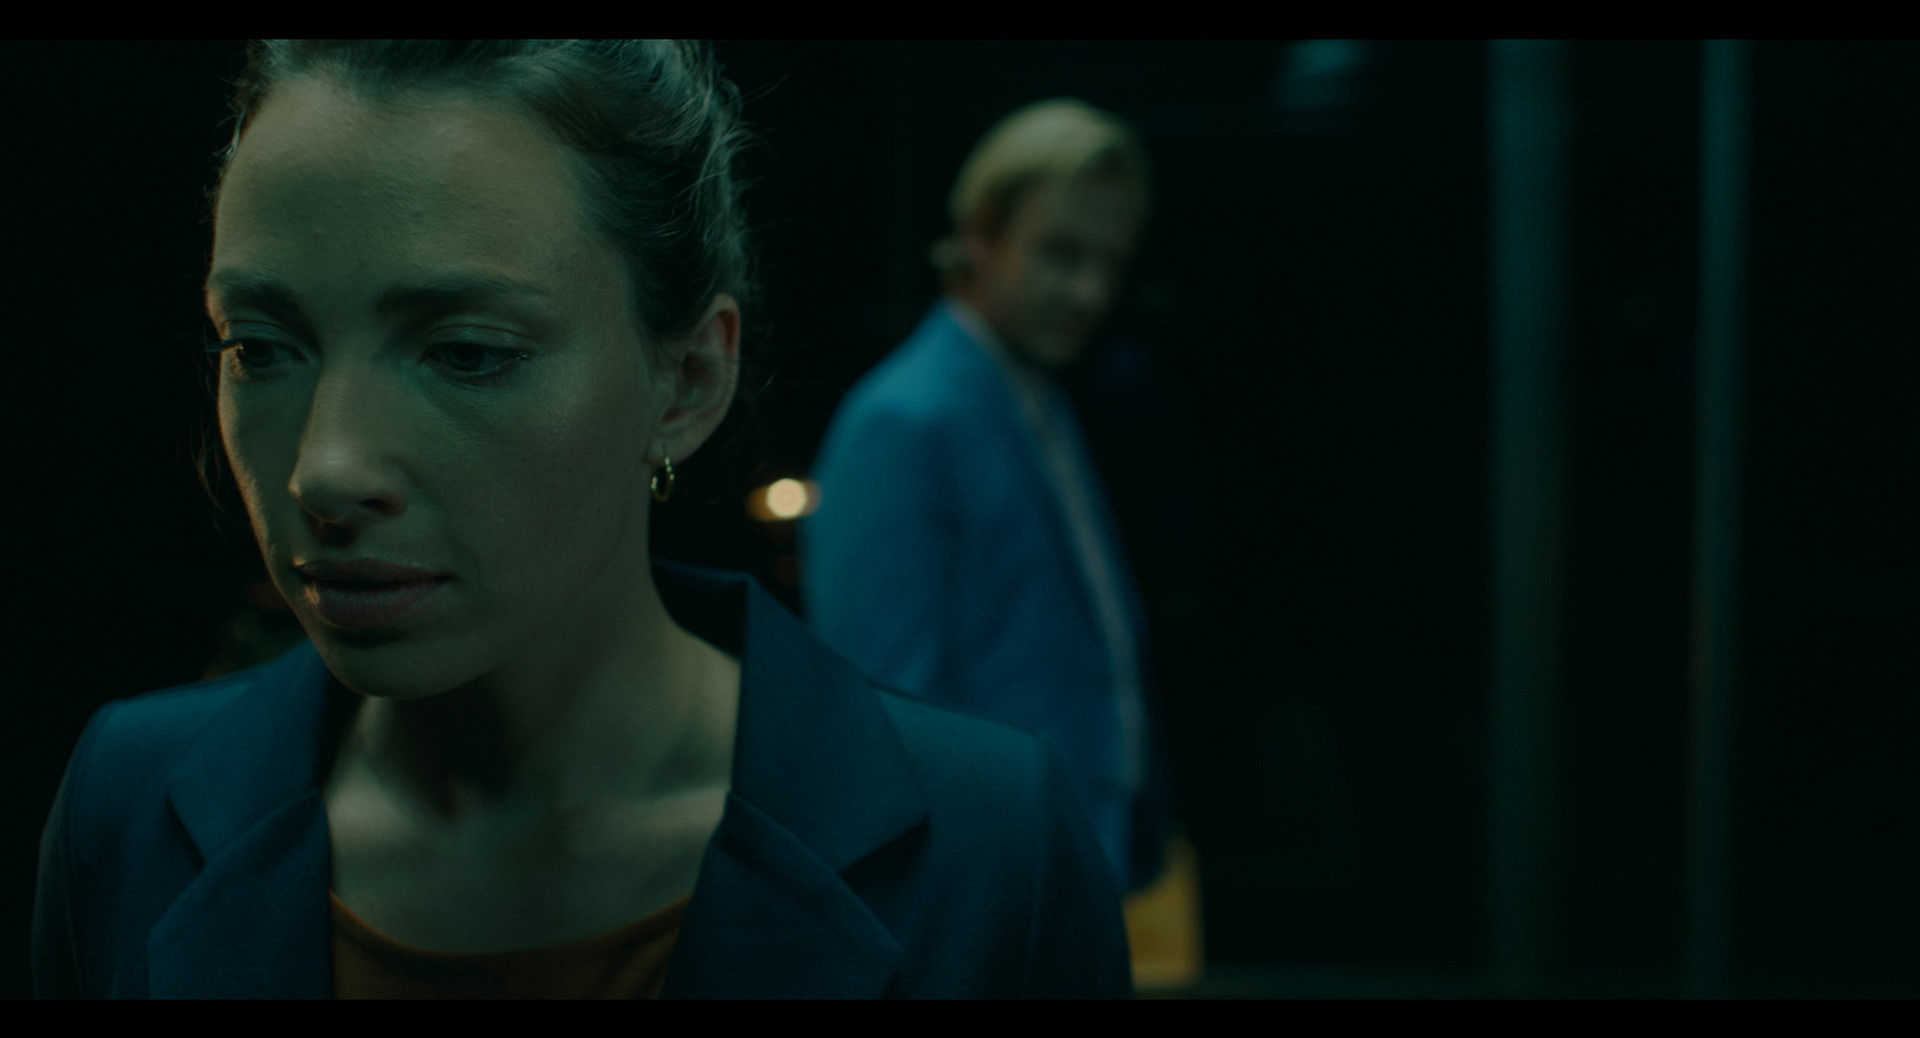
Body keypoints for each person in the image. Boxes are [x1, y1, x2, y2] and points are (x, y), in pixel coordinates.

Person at [32, 41, 1129, 999]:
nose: (326, 468)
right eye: (260, 348)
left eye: (468, 353)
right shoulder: (127, 813)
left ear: (688, 379)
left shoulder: (992, 856)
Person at [802, 100, 1170, 896]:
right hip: (991, 894)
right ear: (979, 237)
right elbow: (886, 717)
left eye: (1110, 263)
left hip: (1060, 872)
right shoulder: (906, 420)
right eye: (1061, 252)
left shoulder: (1034, 398)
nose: (1089, 291)